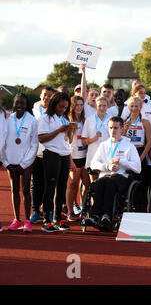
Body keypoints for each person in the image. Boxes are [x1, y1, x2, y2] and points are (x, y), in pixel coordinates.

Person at [83, 116, 141, 229]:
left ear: (122, 129)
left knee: (109, 182)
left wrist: (122, 161)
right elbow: (93, 163)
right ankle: (95, 216)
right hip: (105, 176)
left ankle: (106, 215)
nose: (112, 131)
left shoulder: (129, 146)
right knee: (100, 183)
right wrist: (107, 166)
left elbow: (137, 168)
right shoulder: (103, 145)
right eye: (110, 128)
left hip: (121, 177)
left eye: (115, 128)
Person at [38, 92, 75, 232]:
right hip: (51, 154)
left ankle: (58, 219)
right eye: (61, 106)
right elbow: (41, 138)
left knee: (61, 188)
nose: (63, 109)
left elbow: (68, 141)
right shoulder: (45, 118)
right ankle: (46, 220)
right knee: (50, 186)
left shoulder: (64, 118)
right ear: (54, 104)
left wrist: (70, 131)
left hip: (65, 154)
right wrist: (59, 130)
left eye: (65, 107)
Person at [2, 94, 38, 232]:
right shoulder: (7, 120)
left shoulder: (32, 121)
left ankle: (27, 221)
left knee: (26, 190)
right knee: (14, 190)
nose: (19, 105)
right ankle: (17, 219)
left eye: (22, 103)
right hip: (11, 162)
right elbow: (3, 142)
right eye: (17, 103)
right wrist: (6, 162)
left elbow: (34, 144)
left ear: (26, 104)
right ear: (13, 103)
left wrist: (24, 164)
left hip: (25, 163)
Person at [29, 86, 55, 224]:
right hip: (36, 152)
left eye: (50, 95)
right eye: (45, 94)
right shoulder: (35, 108)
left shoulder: (54, 112)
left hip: (50, 152)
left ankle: (48, 211)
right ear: (40, 95)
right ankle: (35, 211)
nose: (47, 97)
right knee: (35, 184)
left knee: (49, 184)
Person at [123, 96, 151, 210]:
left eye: (136, 106)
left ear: (140, 107)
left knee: (141, 181)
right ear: (128, 107)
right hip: (128, 151)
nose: (134, 109)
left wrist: (142, 157)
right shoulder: (125, 122)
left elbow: (149, 142)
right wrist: (125, 130)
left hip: (140, 151)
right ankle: (129, 205)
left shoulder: (145, 122)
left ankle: (141, 207)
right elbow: (121, 139)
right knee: (128, 179)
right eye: (132, 106)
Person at [66, 95, 90, 222]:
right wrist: (70, 160)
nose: (79, 107)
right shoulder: (68, 120)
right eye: (76, 105)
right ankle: (70, 211)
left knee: (87, 184)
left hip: (85, 156)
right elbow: (67, 142)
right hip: (74, 156)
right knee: (73, 184)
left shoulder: (86, 119)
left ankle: (83, 209)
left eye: (81, 105)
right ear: (72, 106)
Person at [81, 96, 111, 182]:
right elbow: (83, 141)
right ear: (96, 106)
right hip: (93, 157)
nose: (102, 108)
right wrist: (93, 139)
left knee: (106, 185)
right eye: (99, 105)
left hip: (107, 157)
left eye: (104, 105)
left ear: (107, 106)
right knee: (93, 185)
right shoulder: (89, 120)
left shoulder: (111, 119)